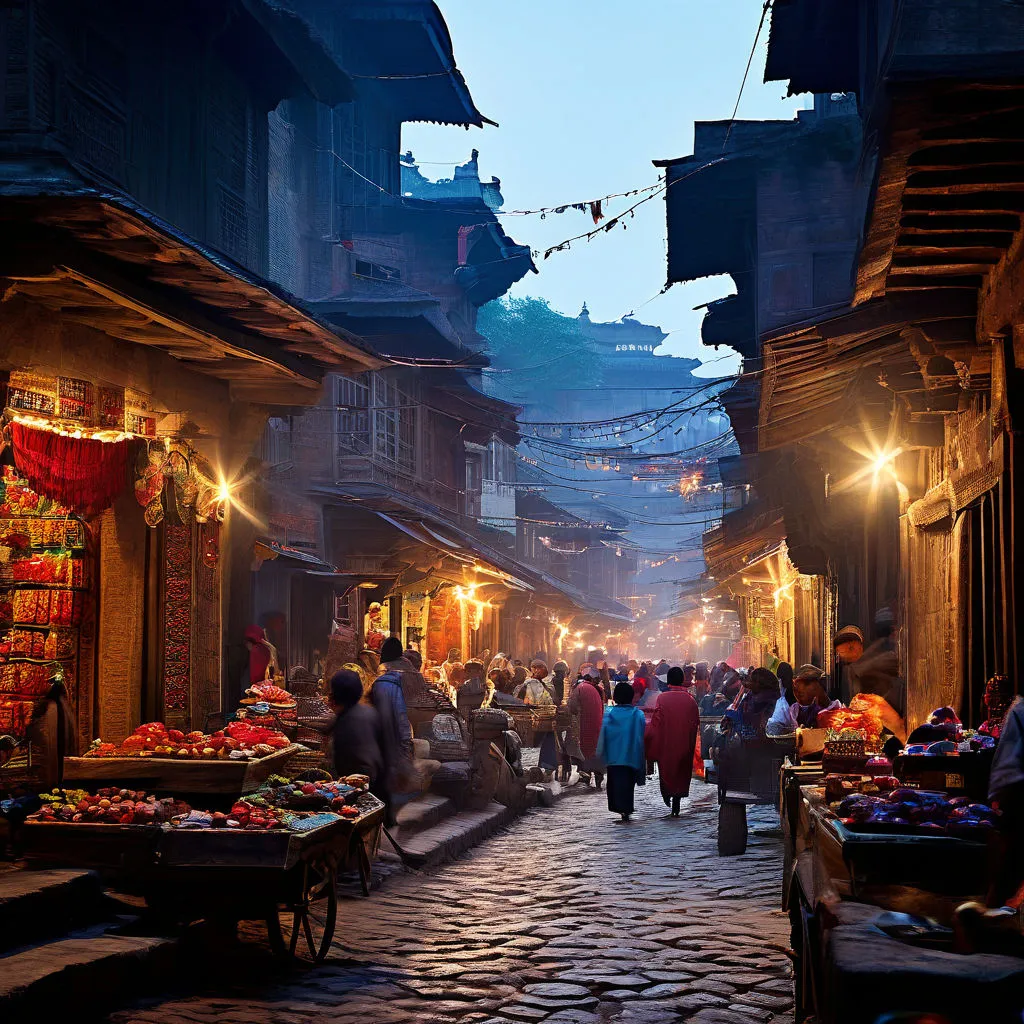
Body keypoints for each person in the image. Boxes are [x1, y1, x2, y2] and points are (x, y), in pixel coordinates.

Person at [368, 638, 414, 826]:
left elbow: (399, 714)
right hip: (391, 740)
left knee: (384, 781)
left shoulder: (382, 683)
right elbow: (402, 716)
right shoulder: (402, 678)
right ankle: (387, 819)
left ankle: (386, 820)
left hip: (385, 741)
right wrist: (406, 742)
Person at [646, 666, 700, 816]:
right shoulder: (690, 700)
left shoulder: (662, 698)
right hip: (684, 742)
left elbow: (656, 722)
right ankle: (677, 802)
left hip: (667, 742)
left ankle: (668, 795)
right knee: (682, 772)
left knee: (667, 771)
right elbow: (695, 722)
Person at [596, 681, 647, 821]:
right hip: (631, 757)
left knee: (615, 786)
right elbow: (641, 736)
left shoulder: (609, 714)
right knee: (628, 786)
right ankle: (626, 810)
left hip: (613, 758)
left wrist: (599, 753)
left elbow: (602, 735)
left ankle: (622, 810)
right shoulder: (638, 715)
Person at [327, 669, 384, 787]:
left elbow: (344, 760)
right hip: (378, 781)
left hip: (359, 784)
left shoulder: (346, 720)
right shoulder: (370, 712)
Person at [566, 670, 605, 787]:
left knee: (582, 749)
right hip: (597, 723)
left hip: (584, 723)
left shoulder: (580, 688)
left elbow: (572, 707)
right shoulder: (598, 689)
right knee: (594, 749)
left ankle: (585, 774)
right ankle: (598, 775)